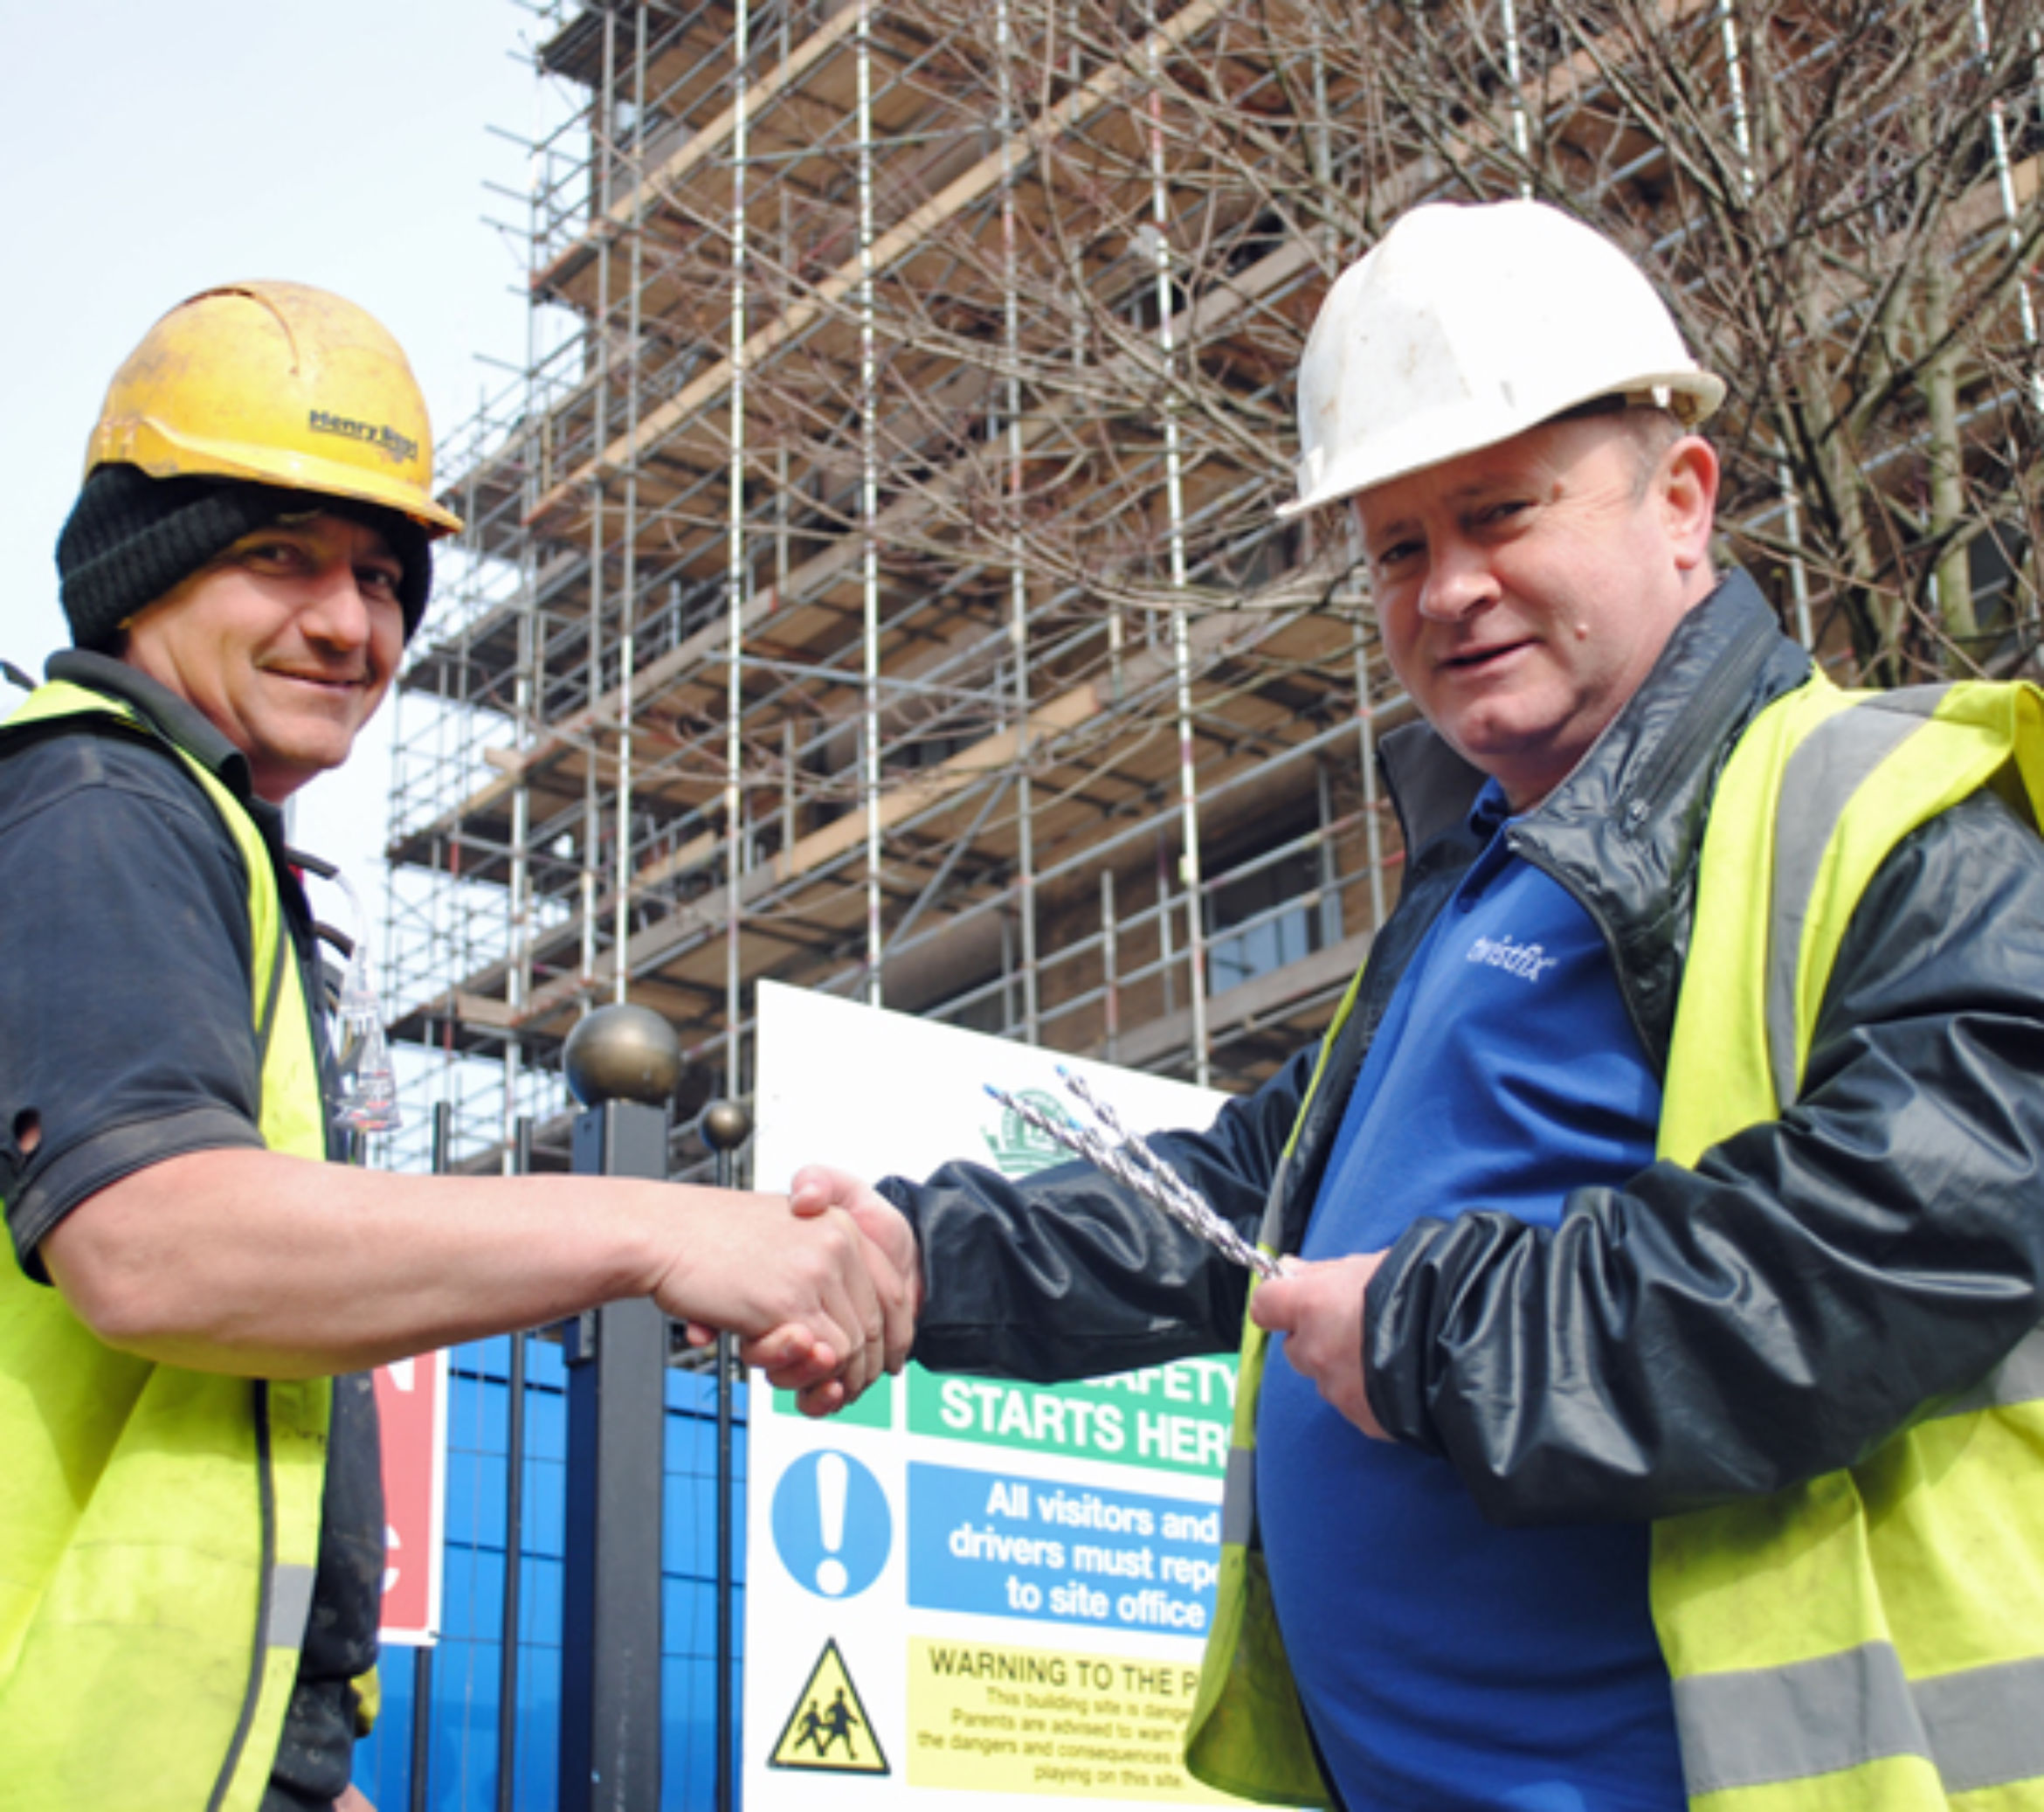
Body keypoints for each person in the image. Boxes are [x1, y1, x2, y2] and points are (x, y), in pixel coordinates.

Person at [794, 200, 2044, 1809]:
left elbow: (1891, 1238)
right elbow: (1241, 1203)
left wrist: (1431, 1326)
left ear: (1683, 502)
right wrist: (913, 1255)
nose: (1448, 587)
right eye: (1398, 545)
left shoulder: (1893, 807)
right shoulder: (1480, 881)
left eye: (1500, 511)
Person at [0, 281, 914, 1812]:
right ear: (140, 566)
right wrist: (660, 1228)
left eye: (379, 574)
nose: (347, 622)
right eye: (274, 554)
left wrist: (302, 1755)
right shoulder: (103, 804)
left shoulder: (207, 841)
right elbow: (154, 1249)